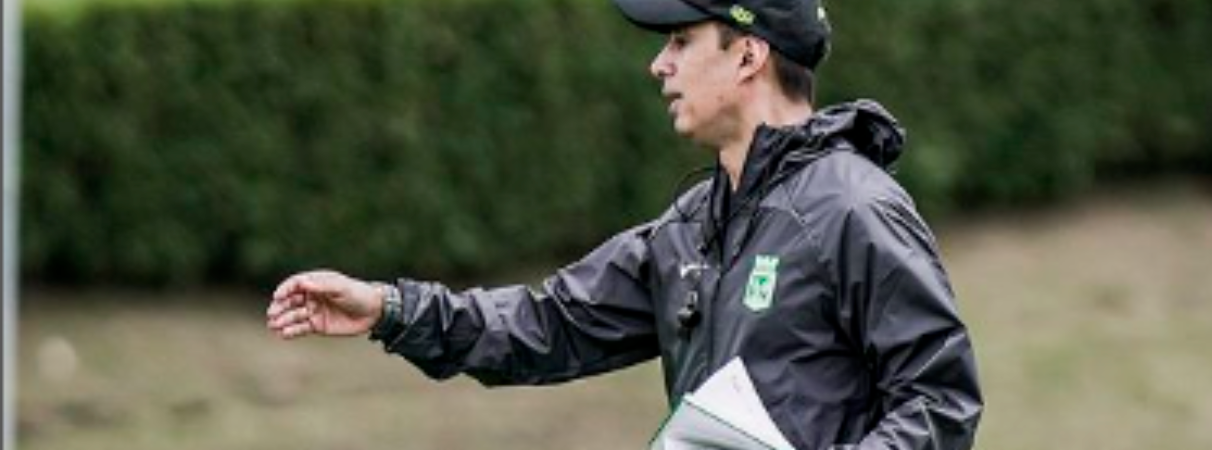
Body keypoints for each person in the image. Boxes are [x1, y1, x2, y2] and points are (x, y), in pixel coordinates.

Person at [266, 0, 983, 448]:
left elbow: (938, 400)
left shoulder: (853, 209)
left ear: (746, 53)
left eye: (679, 40)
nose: (657, 64)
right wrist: (390, 309)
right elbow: (547, 326)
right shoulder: (690, 227)